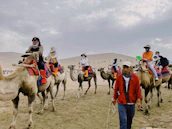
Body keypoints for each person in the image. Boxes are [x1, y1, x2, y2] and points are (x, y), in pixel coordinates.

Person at [112, 61, 142, 129]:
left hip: (131, 102)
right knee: (123, 120)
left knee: (129, 121)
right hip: (121, 102)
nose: (125, 69)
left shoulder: (135, 77)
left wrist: (139, 101)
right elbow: (116, 89)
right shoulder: (119, 77)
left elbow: (138, 90)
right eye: (124, 67)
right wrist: (114, 98)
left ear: (130, 68)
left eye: (127, 67)